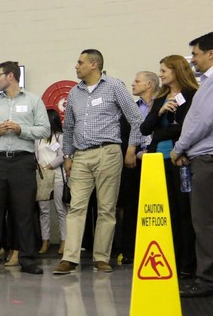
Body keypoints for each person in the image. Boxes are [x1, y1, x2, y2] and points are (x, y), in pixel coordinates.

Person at [53, 49, 146, 275]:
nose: (76, 66)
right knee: (76, 207)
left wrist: (131, 147)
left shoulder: (114, 86)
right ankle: (70, 258)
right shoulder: (74, 92)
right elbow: (68, 127)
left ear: (93, 65)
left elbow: (136, 118)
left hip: (109, 152)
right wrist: (67, 155)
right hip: (81, 155)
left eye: (80, 62)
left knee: (106, 208)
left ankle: (102, 258)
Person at [0, 61, 50, 276]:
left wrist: (21, 130)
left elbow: (45, 130)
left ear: (10, 76)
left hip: (22, 162)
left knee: (24, 212)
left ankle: (27, 259)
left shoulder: (33, 100)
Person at [141, 57, 198, 278]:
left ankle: (188, 264)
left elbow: (187, 128)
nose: (161, 75)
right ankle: (171, 259)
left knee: (185, 212)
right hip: (158, 160)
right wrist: (160, 112)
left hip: (181, 160)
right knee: (168, 214)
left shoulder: (192, 95)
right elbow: (145, 128)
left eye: (164, 71)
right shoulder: (160, 98)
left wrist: (161, 132)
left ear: (177, 71)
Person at [171, 32, 213, 298]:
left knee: (204, 222)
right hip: (204, 156)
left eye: (196, 54)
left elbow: (204, 120)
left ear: (211, 53)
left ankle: (207, 280)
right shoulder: (205, 82)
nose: (193, 60)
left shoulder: (211, 82)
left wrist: (180, 147)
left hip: (206, 159)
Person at [114, 70, 159, 264]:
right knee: (131, 207)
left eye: (137, 81)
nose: (133, 84)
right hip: (133, 162)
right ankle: (129, 251)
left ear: (149, 84)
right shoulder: (130, 109)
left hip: (158, 160)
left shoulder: (161, 105)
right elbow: (123, 135)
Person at [35, 109, 68, 255]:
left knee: (61, 209)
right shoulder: (38, 138)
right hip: (42, 177)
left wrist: (49, 166)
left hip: (58, 176)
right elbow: (36, 155)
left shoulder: (60, 137)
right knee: (44, 210)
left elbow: (62, 155)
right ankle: (45, 241)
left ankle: (64, 241)